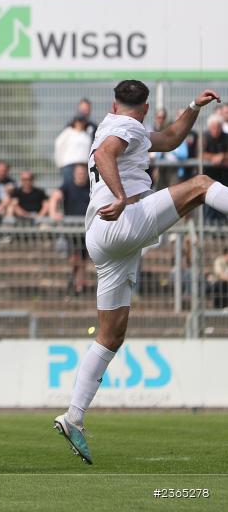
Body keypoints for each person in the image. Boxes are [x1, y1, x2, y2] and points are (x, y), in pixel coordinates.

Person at [54, 81, 222, 465]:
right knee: (199, 185)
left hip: (103, 237)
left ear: (115, 104)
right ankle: (74, 415)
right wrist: (119, 197)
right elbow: (105, 154)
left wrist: (194, 107)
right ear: (145, 108)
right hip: (120, 218)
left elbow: (169, 138)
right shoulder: (124, 130)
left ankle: (73, 416)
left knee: (111, 335)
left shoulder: (121, 125)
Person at [48, 165, 92, 295]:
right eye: (78, 173)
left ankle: (79, 285)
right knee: (74, 258)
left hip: (86, 229)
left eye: (83, 173)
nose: (81, 175)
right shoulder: (67, 186)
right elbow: (55, 197)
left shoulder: (91, 187)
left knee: (83, 259)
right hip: (71, 230)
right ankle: (75, 282)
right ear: (74, 174)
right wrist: (53, 213)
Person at [201, 114, 228, 225]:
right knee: (208, 205)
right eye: (213, 127)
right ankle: (207, 231)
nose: (215, 130)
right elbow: (200, 153)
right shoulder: (204, 137)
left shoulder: (226, 137)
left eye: (218, 127)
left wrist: (222, 156)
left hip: (224, 177)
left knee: (223, 204)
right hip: (208, 178)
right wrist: (213, 158)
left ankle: (221, 233)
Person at [54, 116, 92, 188]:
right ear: (74, 122)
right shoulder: (68, 132)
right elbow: (58, 145)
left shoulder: (87, 134)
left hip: (84, 165)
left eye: (82, 121)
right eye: (78, 121)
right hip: (70, 165)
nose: (80, 123)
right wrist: (59, 163)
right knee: (69, 187)